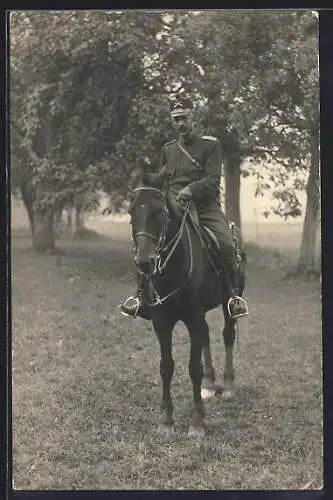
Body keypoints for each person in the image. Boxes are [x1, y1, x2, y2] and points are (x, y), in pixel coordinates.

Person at [120, 96, 248, 320]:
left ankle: (232, 298)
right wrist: (144, 174)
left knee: (226, 244)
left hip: (205, 208)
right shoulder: (169, 150)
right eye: (176, 119)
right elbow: (161, 178)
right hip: (174, 206)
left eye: (184, 118)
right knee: (148, 242)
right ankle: (140, 297)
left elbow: (212, 181)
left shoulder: (211, 145)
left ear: (193, 118)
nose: (180, 123)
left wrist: (190, 190)